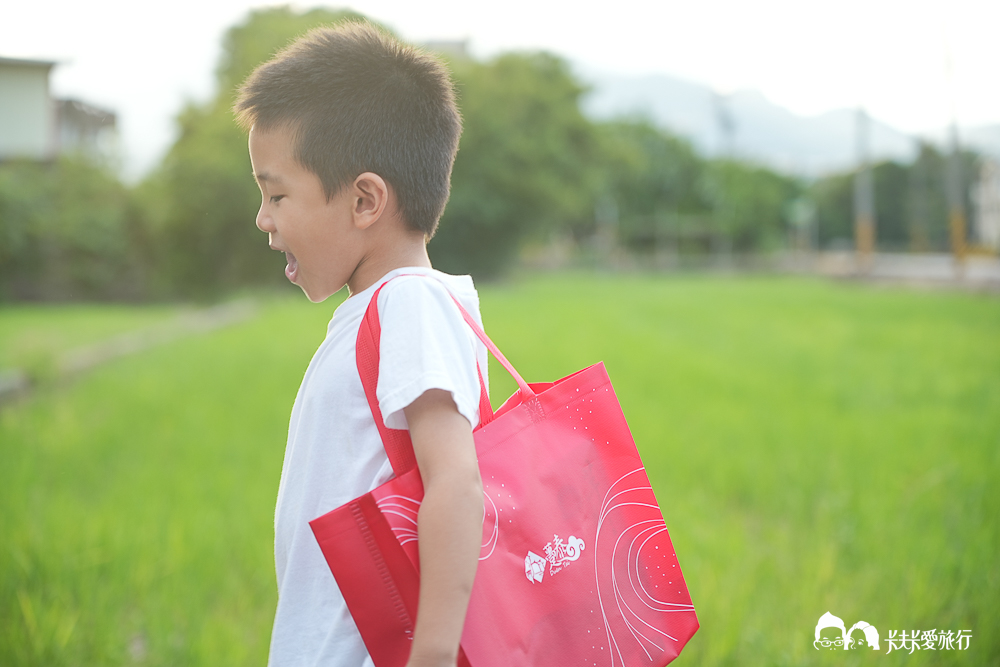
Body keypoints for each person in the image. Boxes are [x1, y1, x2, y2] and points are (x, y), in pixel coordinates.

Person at [234, 21, 487, 667]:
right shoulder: (377, 312)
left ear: (365, 200)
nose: (264, 218)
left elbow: (456, 481)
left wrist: (433, 653)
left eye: (277, 194)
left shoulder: (411, 303)